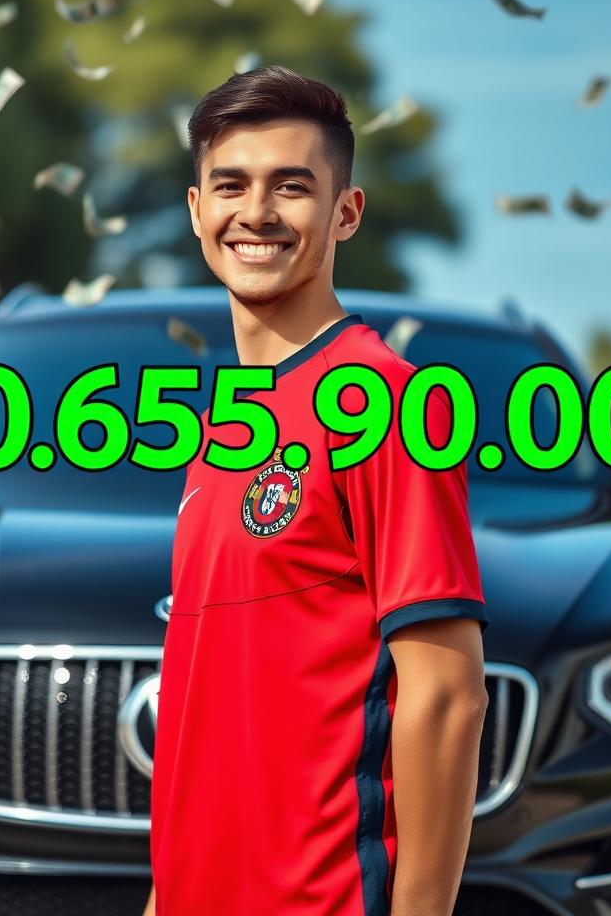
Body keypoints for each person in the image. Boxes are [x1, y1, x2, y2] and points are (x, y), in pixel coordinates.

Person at [143, 65, 489, 916]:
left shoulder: (392, 403)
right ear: (197, 212)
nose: (255, 213)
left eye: (291, 187)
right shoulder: (226, 426)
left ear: (346, 213)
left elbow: (447, 694)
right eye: (230, 185)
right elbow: (210, 705)